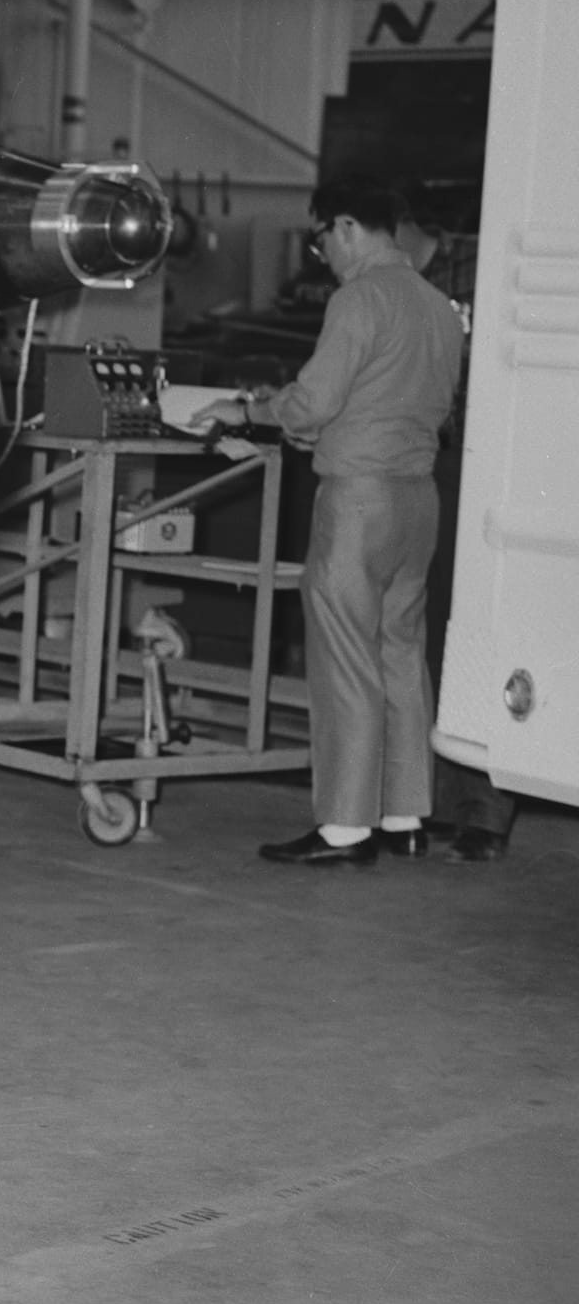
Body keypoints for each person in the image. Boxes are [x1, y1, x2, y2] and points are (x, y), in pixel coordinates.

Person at [198, 178, 464, 867]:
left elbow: (314, 402)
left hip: (359, 503)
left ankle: (346, 828)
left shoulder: (360, 297)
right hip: (418, 498)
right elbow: (393, 401)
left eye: (322, 241)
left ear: (345, 226)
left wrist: (249, 411)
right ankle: (405, 815)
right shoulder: (438, 306)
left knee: (346, 658)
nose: (325, 255)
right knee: (400, 654)